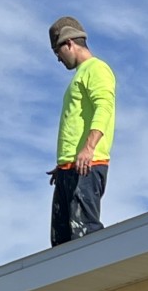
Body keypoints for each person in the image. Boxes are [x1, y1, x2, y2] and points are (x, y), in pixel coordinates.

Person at [47, 16, 116, 245]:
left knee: (85, 236)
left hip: (88, 165)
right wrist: (62, 165)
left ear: (68, 43)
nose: (58, 59)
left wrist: (89, 148)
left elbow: (103, 108)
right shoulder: (79, 76)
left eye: (58, 52)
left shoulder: (97, 69)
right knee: (61, 244)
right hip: (69, 168)